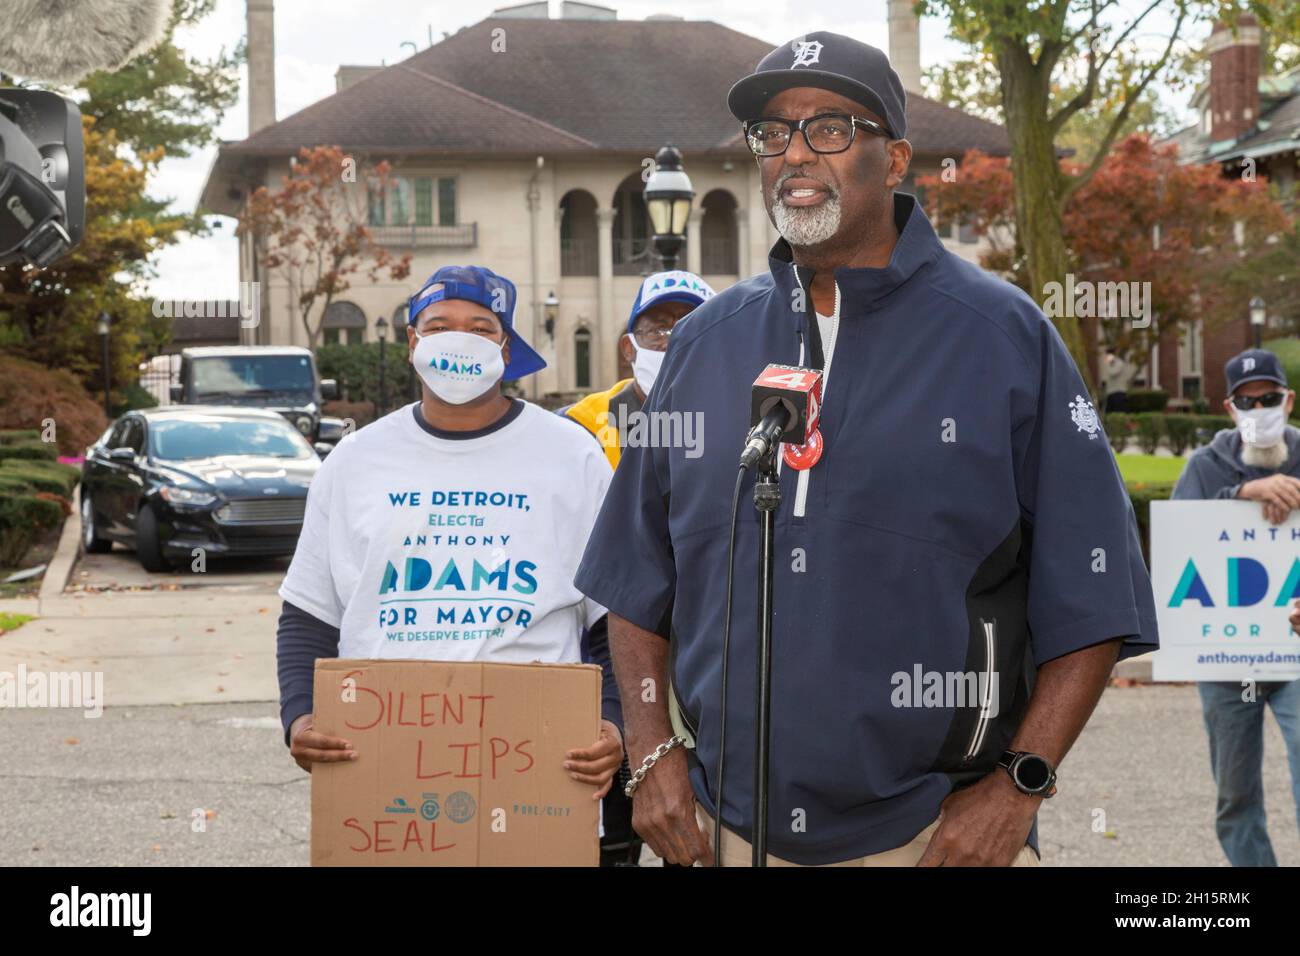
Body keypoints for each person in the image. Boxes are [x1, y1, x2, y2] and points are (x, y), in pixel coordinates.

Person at [574, 31, 1159, 867]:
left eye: (830, 128)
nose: (795, 154)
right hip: (722, 833)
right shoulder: (707, 343)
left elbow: (1096, 600)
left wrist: (1019, 785)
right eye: (773, 133)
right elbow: (632, 581)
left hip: (931, 837)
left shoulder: (1005, 338)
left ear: (896, 160)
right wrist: (652, 754)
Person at [275, 265, 624, 815]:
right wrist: (300, 715)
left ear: (507, 350)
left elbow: (617, 615)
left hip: (537, 769)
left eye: (481, 329)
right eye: (438, 326)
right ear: (412, 343)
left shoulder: (572, 455)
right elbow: (309, 614)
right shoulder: (354, 461)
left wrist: (614, 723)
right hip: (381, 768)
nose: (458, 339)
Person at [1171, 347, 1300, 866]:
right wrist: (1241, 492)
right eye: (1247, 402)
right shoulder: (1205, 465)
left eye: (1268, 398)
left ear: (1288, 400)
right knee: (1235, 795)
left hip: (1295, 654)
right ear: (1229, 410)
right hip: (1226, 662)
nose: (1259, 409)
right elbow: (1177, 538)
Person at [563, 270, 716, 469]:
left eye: (690, 330)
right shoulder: (583, 425)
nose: (673, 343)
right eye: (658, 331)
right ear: (628, 348)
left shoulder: (740, 422)